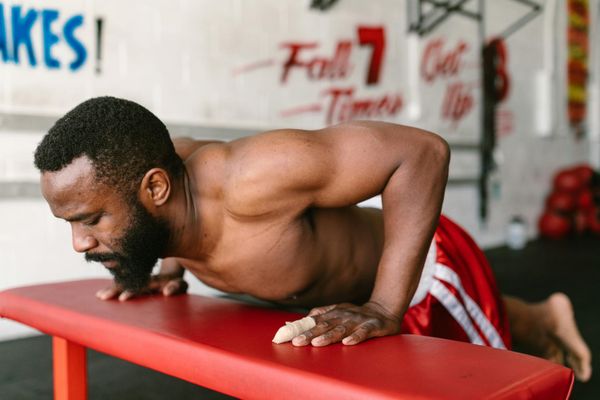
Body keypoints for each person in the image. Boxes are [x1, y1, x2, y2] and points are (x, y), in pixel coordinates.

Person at [34, 97, 591, 381]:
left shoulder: (256, 176)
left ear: (156, 187)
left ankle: (542, 327)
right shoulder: (155, 182)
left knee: (495, 382)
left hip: (427, 277)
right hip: (341, 293)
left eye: (91, 220)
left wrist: (383, 305)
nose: (80, 244)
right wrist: (163, 268)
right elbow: (165, 221)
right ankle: (547, 315)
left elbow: (421, 152)